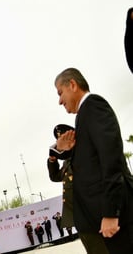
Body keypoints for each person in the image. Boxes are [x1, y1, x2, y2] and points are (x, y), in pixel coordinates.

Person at [53, 67, 133, 253]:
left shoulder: (94, 106)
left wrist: (111, 213)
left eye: (60, 93)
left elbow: (110, 159)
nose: (59, 101)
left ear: (72, 84)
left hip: (116, 219)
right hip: (100, 221)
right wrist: (63, 150)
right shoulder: (83, 116)